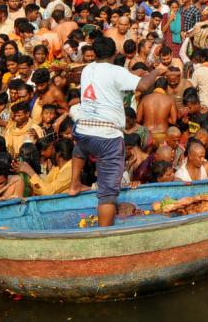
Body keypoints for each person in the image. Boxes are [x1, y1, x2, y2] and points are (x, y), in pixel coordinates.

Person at [67, 36, 165, 228]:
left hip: (83, 129)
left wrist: (132, 73)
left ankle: (74, 184)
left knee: (80, 149)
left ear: (94, 54)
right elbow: (144, 85)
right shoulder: (116, 71)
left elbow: (112, 78)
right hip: (108, 136)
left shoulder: (87, 69)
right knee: (107, 195)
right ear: (115, 54)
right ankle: (104, 235)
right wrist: (157, 71)